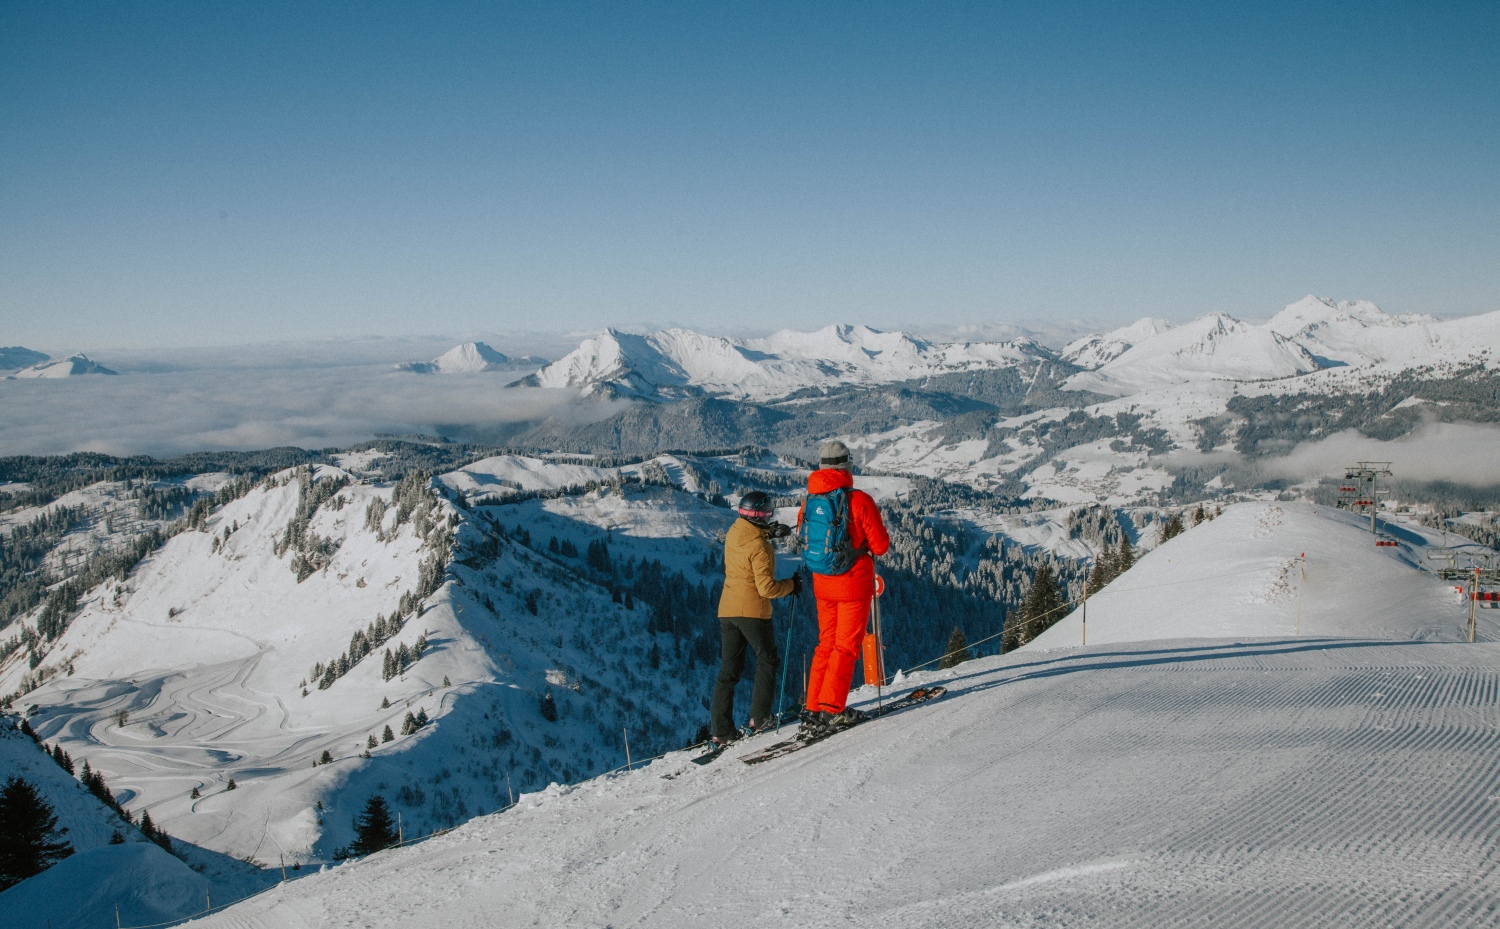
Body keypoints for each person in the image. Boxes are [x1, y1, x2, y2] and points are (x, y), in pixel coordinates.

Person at [799, 439, 890, 732]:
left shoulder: (809, 502)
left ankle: (813, 707)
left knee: (825, 644)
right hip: (853, 584)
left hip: (822, 583)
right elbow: (881, 545)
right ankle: (832, 709)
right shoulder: (858, 500)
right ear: (846, 465)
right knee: (847, 647)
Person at [712, 490, 802, 745]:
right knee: (768, 660)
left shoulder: (734, 533)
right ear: (763, 515)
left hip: (727, 609)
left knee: (728, 671)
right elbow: (767, 589)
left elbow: (750, 539)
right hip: (752, 610)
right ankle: (760, 718)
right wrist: (792, 585)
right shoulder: (761, 546)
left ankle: (721, 730)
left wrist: (769, 533)